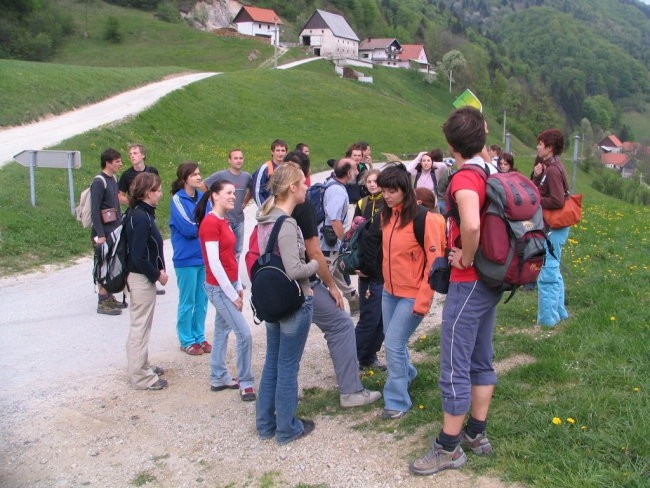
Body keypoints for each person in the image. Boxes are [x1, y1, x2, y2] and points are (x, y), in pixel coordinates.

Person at [410, 107, 503, 476]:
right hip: (493, 279)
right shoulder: (489, 169)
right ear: (481, 138)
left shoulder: (465, 179)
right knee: (481, 356)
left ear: (451, 144)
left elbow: (472, 223)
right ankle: (476, 434)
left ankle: (448, 448)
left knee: (453, 362)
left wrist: (465, 255)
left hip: (470, 282)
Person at [285, 151, 382, 407]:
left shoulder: (268, 206)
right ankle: (350, 391)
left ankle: (274, 408)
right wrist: (331, 282)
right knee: (340, 323)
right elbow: (315, 248)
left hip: (277, 283)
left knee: (282, 345)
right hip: (304, 280)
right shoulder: (304, 204)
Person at [254, 163, 320, 444]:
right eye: (303, 184)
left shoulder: (264, 217)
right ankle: (286, 428)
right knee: (288, 366)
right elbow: (294, 269)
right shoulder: (287, 222)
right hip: (294, 302)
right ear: (292, 188)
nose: (307, 187)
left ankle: (265, 423)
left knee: (272, 363)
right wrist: (315, 264)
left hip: (272, 301)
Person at [377, 165, 445, 420]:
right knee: (394, 340)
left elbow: (434, 263)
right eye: (384, 190)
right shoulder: (386, 216)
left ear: (405, 190)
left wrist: (423, 299)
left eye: (391, 191)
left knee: (393, 344)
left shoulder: (425, 219)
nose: (386, 195)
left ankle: (396, 401)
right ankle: (407, 374)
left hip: (413, 293)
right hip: (389, 291)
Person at [197, 179, 256, 401]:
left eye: (234, 192)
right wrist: (232, 294)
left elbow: (230, 257)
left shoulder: (224, 221)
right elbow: (214, 264)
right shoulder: (210, 224)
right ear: (215, 195)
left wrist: (238, 286)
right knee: (244, 334)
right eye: (229, 193)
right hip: (219, 288)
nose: (234, 196)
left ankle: (218, 376)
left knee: (222, 330)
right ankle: (246, 382)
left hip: (229, 285)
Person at [125, 172, 168, 390]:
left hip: (140, 278)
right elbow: (138, 256)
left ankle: (141, 365)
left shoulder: (139, 213)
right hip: (141, 279)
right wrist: (157, 275)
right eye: (158, 190)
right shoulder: (141, 217)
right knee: (140, 327)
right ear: (149, 192)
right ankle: (141, 377)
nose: (161, 194)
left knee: (141, 325)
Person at [170, 162, 210, 356]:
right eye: (194, 174)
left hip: (203, 257)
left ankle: (199, 336)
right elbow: (187, 228)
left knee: (202, 300)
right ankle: (186, 339)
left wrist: (203, 227)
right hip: (186, 259)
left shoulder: (203, 198)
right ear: (185, 178)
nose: (198, 177)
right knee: (188, 301)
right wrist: (204, 228)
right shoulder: (178, 199)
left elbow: (212, 220)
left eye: (199, 174)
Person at [531, 129, 571, 327]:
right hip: (555, 227)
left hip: (553, 228)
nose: (537, 146)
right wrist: (536, 176)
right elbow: (539, 188)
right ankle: (560, 313)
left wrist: (537, 199)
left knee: (547, 274)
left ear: (549, 148)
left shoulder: (553, 170)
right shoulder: (549, 166)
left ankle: (547, 320)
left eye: (540, 144)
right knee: (553, 271)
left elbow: (556, 199)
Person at [118, 143, 164, 295]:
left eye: (135, 153)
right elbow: (119, 194)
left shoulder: (152, 171)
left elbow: (157, 187)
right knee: (141, 246)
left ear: (143, 155)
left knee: (153, 244)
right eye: (130, 153)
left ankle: (154, 276)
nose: (132, 156)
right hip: (139, 212)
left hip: (150, 213)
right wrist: (133, 202)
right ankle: (149, 276)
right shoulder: (126, 175)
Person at [353, 169, 386, 370]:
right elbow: (354, 234)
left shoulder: (388, 203)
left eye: (375, 181)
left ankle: (370, 355)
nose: (372, 185)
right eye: (369, 182)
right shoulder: (362, 204)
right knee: (369, 317)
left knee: (382, 318)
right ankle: (352, 358)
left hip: (384, 265)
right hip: (367, 265)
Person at [319, 158, 360, 314]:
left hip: (328, 241)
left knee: (335, 273)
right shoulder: (337, 191)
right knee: (324, 277)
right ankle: (325, 311)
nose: (357, 172)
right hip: (329, 242)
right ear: (348, 172)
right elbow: (335, 220)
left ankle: (353, 299)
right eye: (355, 169)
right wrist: (345, 242)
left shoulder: (332, 184)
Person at [91, 148, 126, 315]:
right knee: (103, 264)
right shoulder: (99, 182)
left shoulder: (113, 178)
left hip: (113, 229)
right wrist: (101, 235)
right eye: (117, 161)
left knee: (111, 263)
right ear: (108, 163)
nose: (120, 164)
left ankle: (109, 296)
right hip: (103, 232)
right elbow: (95, 210)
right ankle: (102, 301)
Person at [203, 149, 251, 262]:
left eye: (241, 158)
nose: (238, 160)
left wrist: (245, 201)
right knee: (223, 251)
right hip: (225, 220)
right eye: (235, 158)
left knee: (237, 251)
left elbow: (253, 189)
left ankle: (235, 278)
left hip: (239, 220)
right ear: (229, 160)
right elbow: (204, 185)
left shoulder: (246, 176)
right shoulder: (221, 175)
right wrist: (213, 200)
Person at [249, 139, 288, 207]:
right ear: (272, 152)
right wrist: (264, 210)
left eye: (283, 150)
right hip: (269, 209)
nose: (280, 153)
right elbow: (257, 192)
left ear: (286, 153)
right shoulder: (265, 168)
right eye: (277, 150)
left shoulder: (288, 168)